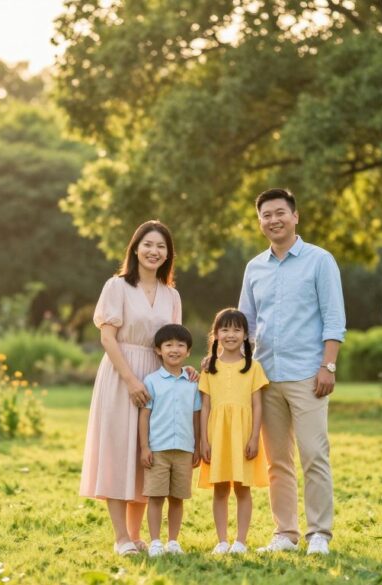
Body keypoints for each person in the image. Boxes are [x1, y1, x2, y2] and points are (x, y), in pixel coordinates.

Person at [239, 188, 346, 556]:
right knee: (277, 461)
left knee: (314, 453)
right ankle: (285, 532)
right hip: (266, 378)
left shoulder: (319, 261)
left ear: (295, 216)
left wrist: (327, 365)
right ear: (260, 222)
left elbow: (334, 318)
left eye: (280, 212)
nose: (273, 220)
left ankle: (320, 533)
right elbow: (246, 325)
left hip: (307, 376)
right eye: (266, 215)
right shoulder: (254, 268)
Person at [79, 220, 183, 556]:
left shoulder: (172, 295)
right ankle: (121, 536)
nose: (154, 252)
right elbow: (107, 336)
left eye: (161, 247)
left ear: (168, 254)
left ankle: (138, 535)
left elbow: (174, 343)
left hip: (158, 382)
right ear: (135, 248)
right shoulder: (117, 286)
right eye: (148, 245)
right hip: (121, 374)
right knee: (117, 449)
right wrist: (131, 380)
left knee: (146, 455)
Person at [198, 308, 269, 555]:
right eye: (225, 329)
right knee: (220, 488)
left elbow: (257, 405)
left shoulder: (253, 367)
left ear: (246, 335)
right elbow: (205, 406)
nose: (231, 334)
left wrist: (254, 437)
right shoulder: (210, 368)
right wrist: (204, 441)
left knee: (242, 487)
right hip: (217, 435)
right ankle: (222, 540)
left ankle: (240, 540)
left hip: (244, 434)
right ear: (216, 334)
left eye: (237, 329)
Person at [138, 324, 201, 557]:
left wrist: (197, 445)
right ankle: (155, 541)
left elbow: (196, 415)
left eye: (180, 345)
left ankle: (173, 541)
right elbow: (144, 415)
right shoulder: (152, 381)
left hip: (184, 448)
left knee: (177, 497)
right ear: (158, 350)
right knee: (155, 497)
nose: (174, 349)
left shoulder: (193, 382)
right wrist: (144, 447)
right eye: (169, 345)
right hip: (158, 450)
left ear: (188, 352)